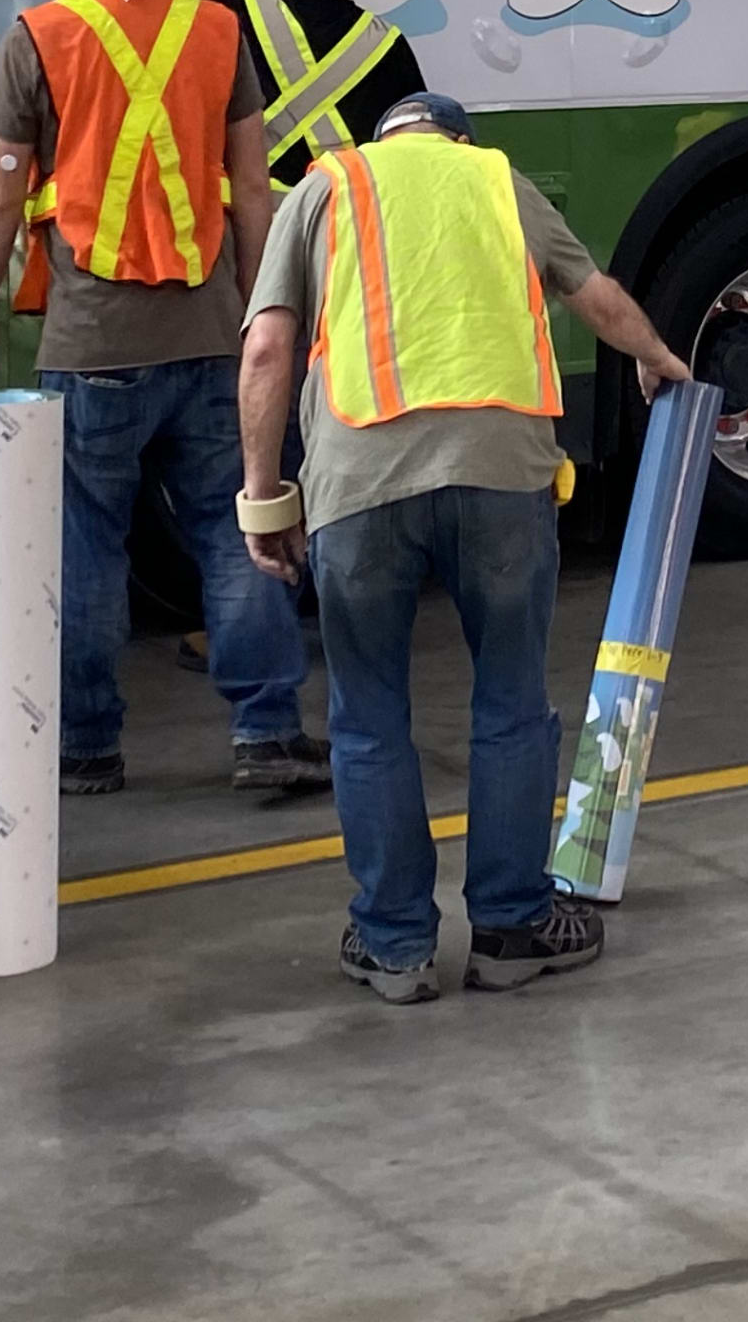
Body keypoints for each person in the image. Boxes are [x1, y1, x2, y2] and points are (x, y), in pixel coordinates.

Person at [235, 91, 693, 1004]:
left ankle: (395, 945)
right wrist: (659, 358)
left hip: (360, 487)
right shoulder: (498, 180)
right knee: (512, 706)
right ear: (456, 140)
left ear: (386, 141)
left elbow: (267, 351)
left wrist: (264, 498)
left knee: (368, 718)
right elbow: (594, 294)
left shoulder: (326, 186)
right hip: (501, 483)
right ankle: (513, 927)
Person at [0, 0, 319, 800]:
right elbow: (252, 190)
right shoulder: (219, 31)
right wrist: (256, 310)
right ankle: (268, 732)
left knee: (84, 543)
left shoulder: (37, 38)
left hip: (89, 343)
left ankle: (84, 749)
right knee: (235, 523)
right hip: (207, 334)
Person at [248, 0, 427, 191]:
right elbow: (416, 142)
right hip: (351, 220)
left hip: (260, 220)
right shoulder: (387, 43)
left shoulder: (233, 12)